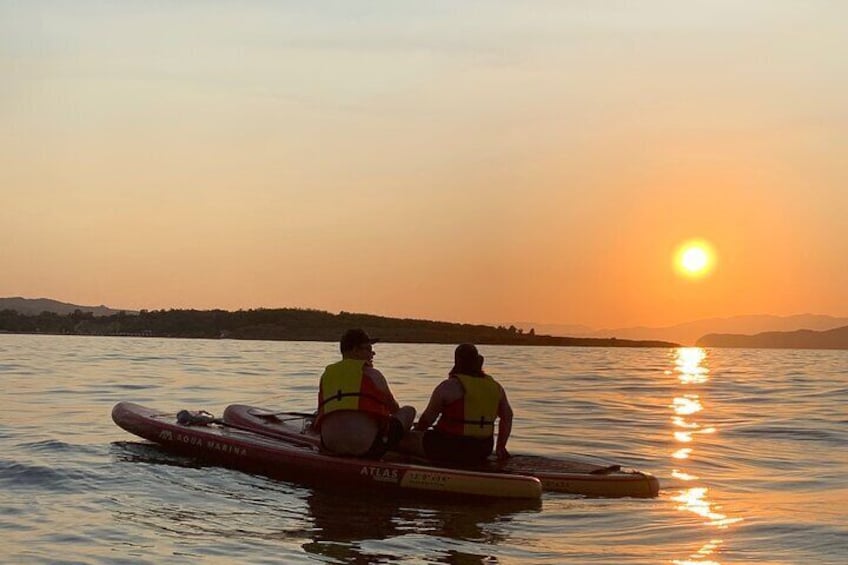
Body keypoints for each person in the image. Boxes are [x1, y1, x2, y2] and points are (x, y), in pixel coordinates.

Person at [399, 343, 513, 466]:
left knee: (400, 440)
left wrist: (416, 433)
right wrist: (500, 446)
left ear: (457, 361)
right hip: (482, 449)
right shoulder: (496, 387)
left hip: (448, 447)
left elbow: (427, 420)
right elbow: (508, 416)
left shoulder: (448, 386)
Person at [314, 328, 415, 458]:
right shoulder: (373, 375)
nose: (372, 354)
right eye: (368, 349)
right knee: (408, 411)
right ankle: (402, 448)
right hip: (366, 449)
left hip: (330, 445)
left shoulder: (326, 375)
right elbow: (394, 409)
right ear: (355, 350)